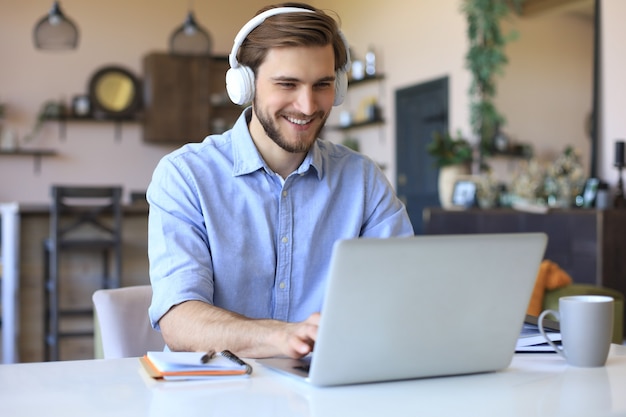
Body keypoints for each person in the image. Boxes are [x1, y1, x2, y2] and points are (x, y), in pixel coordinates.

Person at [147, 2, 414, 360]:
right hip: (216, 393)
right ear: (244, 85)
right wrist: (281, 337)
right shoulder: (185, 176)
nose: (307, 106)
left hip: (328, 390)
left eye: (322, 85)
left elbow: (405, 293)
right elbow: (180, 321)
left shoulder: (363, 180)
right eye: (287, 84)